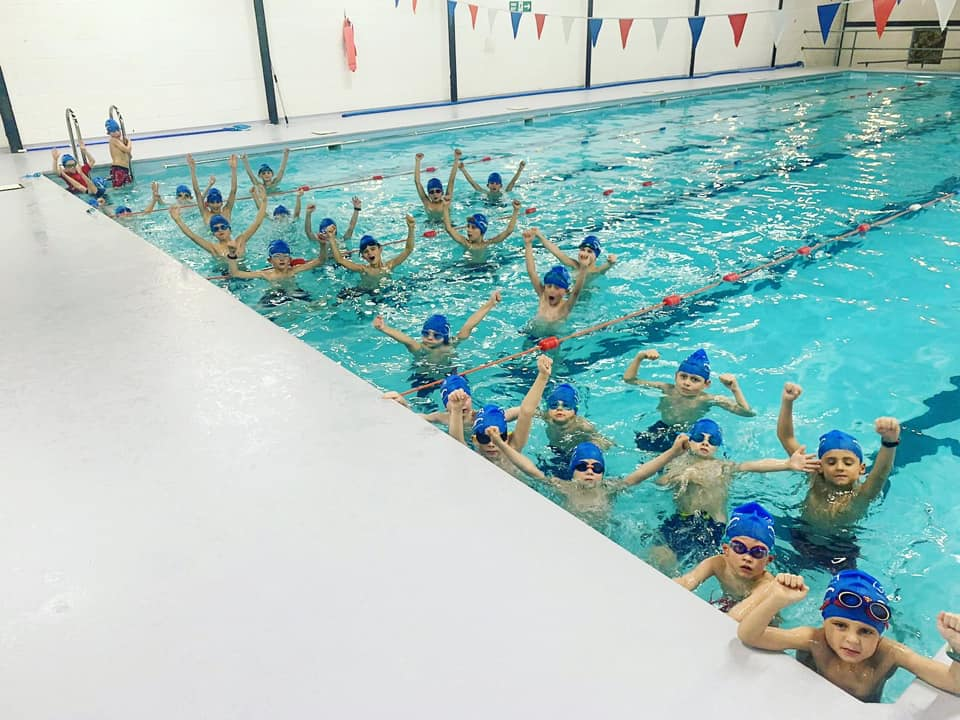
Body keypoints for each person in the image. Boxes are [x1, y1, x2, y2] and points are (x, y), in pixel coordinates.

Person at [737, 569, 960, 703]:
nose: (852, 640)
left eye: (866, 631)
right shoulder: (814, 640)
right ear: (825, 622)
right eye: (840, 625)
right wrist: (777, 599)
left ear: (880, 634)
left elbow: (954, 683)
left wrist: (957, 648)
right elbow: (749, 635)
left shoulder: (890, 654)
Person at [649, 417, 818, 571]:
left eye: (712, 440)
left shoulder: (723, 467)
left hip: (712, 527)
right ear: (689, 440)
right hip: (680, 520)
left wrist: (787, 464)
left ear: (717, 446)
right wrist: (681, 475)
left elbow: (754, 466)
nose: (705, 443)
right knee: (657, 560)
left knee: (702, 569)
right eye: (700, 438)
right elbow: (659, 483)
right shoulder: (679, 464)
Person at [776, 381, 901, 570]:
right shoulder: (815, 477)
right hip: (801, 537)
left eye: (848, 462)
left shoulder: (862, 495)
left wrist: (889, 442)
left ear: (861, 469)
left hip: (840, 549)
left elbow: (881, 473)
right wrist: (787, 402)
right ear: (820, 466)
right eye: (831, 462)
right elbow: (786, 438)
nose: (839, 467)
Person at [485, 436, 686, 526]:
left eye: (596, 467)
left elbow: (641, 474)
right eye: (582, 467)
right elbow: (530, 470)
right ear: (573, 472)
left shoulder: (609, 487)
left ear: (602, 474)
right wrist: (501, 445)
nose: (589, 471)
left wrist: (673, 452)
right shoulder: (563, 487)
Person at [624, 348, 755, 452]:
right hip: (660, 429)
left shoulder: (707, 399)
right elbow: (630, 380)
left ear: (706, 384)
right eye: (683, 376)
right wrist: (640, 357)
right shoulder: (666, 388)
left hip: (687, 435)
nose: (687, 383)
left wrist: (735, 389)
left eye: (695, 379)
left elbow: (747, 413)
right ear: (676, 376)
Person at [447, 354, 552, 476]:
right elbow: (456, 442)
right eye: (484, 438)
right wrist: (456, 410)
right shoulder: (473, 455)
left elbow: (526, 412)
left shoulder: (513, 447)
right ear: (475, 440)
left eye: (500, 437)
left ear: (507, 437)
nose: (492, 444)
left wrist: (543, 377)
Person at [674, 502, 778, 620]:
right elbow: (687, 581)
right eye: (739, 547)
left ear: (768, 560)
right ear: (726, 550)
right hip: (730, 603)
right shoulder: (717, 564)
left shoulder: (765, 584)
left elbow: (737, 615)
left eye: (758, 552)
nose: (747, 558)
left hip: (757, 620)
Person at [372, 290, 502, 361]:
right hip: (423, 377)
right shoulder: (421, 349)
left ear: (445, 336)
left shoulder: (451, 343)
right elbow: (407, 340)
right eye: (426, 333)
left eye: (436, 335)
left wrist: (490, 303)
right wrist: (384, 328)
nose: (429, 338)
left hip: (449, 375)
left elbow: (469, 325)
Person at [169, 186, 267, 260]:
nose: (220, 230)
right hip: (225, 278)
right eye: (216, 229)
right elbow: (193, 236)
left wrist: (264, 201)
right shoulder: (214, 248)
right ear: (213, 233)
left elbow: (257, 223)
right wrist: (178, 220)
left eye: (223, 227)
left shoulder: (240, 241)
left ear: (229, 229)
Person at [522, 229, 588, 328]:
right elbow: (532, 272)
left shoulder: (565, 307)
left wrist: (583, 268)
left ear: (565, 291)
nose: (551, 290)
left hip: (552, 340)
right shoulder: (543, 296)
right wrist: (528, 244)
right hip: (531, 336)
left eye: (557, 288)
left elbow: (576, 292)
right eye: (549, 286)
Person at [225, 239, 323, 305]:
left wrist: (323, 245)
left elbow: (320, 261)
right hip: (274, 296)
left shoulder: (293, 270)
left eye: (285, 256)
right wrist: (232, 253)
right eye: (277, 256)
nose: (282, 259)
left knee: (320, 304)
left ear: (289, 259)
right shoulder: (266, 274)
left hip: (294, 292)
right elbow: (236, 273)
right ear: (270, 260)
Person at [327, 217, 416, 289]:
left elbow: (408, 249)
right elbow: (340, 260)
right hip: (364, 293)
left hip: (385, 293)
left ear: (380, 249)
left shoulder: (390, 265)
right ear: (363, 257)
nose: (370, 253)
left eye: (373, 249)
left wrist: (411, 228)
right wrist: (331, 238)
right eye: (366, 252)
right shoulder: (363, 269)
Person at [441, 196, 521, 262]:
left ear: (482, 230)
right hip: (468, 270)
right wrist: (445, 207)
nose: (469, 230)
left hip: (485, 268)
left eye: (473, 227)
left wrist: (516, 210)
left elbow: (508, 231)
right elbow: (449, 229)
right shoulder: (466, 243)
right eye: (468, 226)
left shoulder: (489, 243)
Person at [539, 382, 612, 453]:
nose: (559, 409)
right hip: (554, 449)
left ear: (575, 411)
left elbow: (602, 440)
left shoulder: (582, 425)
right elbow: (529, 410)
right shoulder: (547, 418)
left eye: (566, 406)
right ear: (548, 409)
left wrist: (593, 448)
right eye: (554, 405)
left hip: (575, 452)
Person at [530, 230, 618, 279]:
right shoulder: (574, 265)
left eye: (589, 251)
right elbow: (556, 251)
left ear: (596, 257)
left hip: (584, 297)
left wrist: (611, 262)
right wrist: (540, 236)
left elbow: (607, 266)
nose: (584, 253)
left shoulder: (595, 271)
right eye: (583, 250)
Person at [186, 153, 239, 223]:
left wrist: (234, 169)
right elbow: (197, 192)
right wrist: (192, 170)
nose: (215, 205)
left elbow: (233, 190)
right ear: (207, 204)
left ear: (222, 203)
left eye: (218, 202)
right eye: (212, 202)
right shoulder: (206, 214)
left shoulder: (227, 211)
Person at [414, 149, 460, 219]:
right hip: (430, 225)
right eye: (431, 192)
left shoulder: (446, 200)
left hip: (446, 225)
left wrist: (456, 159)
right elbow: (417, 183)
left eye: (438, 191)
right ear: (428, 194)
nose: (435, 194)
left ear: (442, 192)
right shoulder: (427, 203)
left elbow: (451, 180)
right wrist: (417, 161)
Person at [458, 158, 526, 201]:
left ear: (501, 186)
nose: (494, 185)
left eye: (497, 183)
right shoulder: (484, 192)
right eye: (492, 183)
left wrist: (520, 169)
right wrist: (463, 170)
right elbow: (472, 183)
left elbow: (513, 182)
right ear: (488, 185)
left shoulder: (505, 192)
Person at [105, 118, 133, 187]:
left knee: (127, 187)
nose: (117, 132)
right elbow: (127, 150)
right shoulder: (113, 140)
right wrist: (129, 142)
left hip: (124, 169)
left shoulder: (120, 141)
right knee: (118, 188)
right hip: (118, 169)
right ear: (109, 133)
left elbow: (129, 155)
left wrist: (128, 154)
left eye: (118, 130)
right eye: (113, 132)